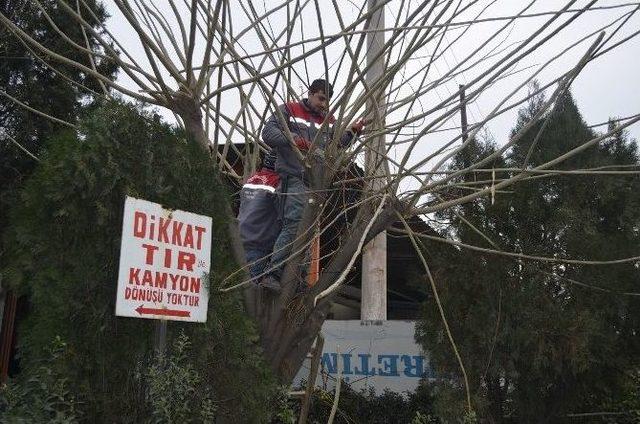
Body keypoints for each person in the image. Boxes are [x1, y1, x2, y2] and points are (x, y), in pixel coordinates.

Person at [260, 79, 365, 292]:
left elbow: (336, 146)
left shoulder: (328, 121)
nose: (324, 104)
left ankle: (296, 280)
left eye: (327, 101)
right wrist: (295, 141)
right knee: (295, 222)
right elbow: (268, 134)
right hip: (293, 176)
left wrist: (352, 133)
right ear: (310, 93)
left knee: (307, 230)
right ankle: (272, 273)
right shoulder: (289, 110)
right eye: (321, 98)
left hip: (315, 184)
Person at [237, 152, 281, 281]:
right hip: (258, 244)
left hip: (241, 238)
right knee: (250, 290)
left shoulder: (251, 179)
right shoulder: (277, 183)